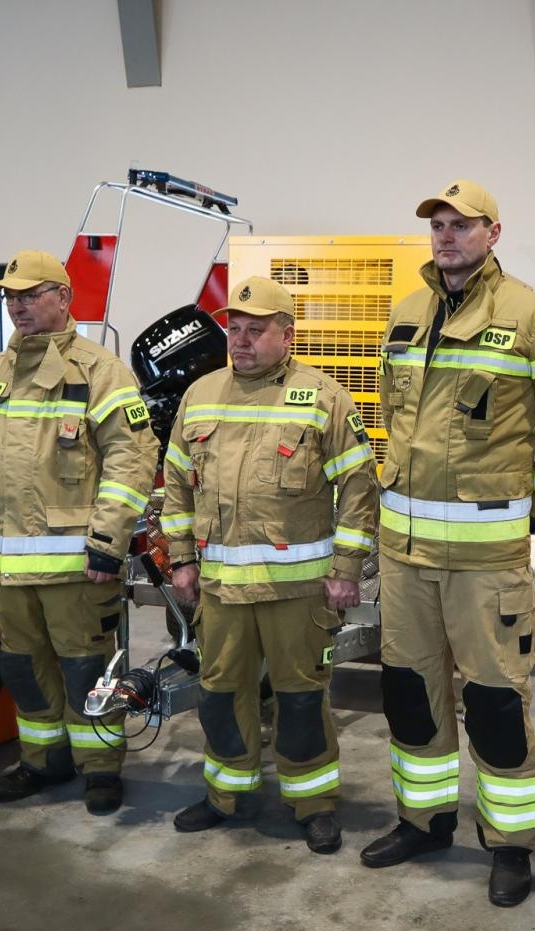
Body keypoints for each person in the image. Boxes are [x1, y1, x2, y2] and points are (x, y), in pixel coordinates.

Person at [360, 179, 535, 907]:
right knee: (410, 695)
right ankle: (423, 821)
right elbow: (395, 423)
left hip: (486, 560)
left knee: (494, 703)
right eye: (438, 225)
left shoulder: (534, 318)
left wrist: (534, 512)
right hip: (403, 559)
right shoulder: (404, 314)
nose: (446, 236)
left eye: (462, 225)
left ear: (494, 233)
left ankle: (510, 845)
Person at [159, 276, 377, 853]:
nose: (242, 340)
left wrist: (347, 569)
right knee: (219, 693)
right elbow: (178, 485)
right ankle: (227, 796)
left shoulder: (323, 396)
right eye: (235, 329)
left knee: (301, 696)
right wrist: (180, 560)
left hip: (297, 591)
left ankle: (314, 803)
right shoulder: (201, 395)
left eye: (257, 330)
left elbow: (358, 487)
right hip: (221, 591)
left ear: (287, 334)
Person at [0, 250, 157, 816]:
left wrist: (109, 542)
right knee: (23, 667)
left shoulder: (99, 370)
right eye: (9, 297)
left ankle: (101, 768)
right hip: (8, 567)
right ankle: (43, 761)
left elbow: (132, 458)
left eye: (29, 294)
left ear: (63, 298)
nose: (17, 305)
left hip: (79, 567)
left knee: (87, 669)